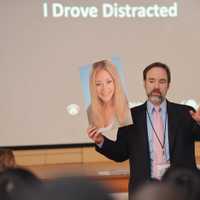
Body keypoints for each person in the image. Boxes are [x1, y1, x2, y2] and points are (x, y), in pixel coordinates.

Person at [87, 62, 200, 199]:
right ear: (144, 83)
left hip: (182, 190)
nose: (156, 86)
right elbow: (120, 153)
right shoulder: (130, 115)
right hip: (144, 192)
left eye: (162, 81)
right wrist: (101, 140)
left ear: (168, 85)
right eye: (151, 81)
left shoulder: (184, 113)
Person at [87, 59, 132, 134]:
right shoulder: (90, 110)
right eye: (98, 84)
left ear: (115, 82)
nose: (105, 89)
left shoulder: (128, 107)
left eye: (109, 82)